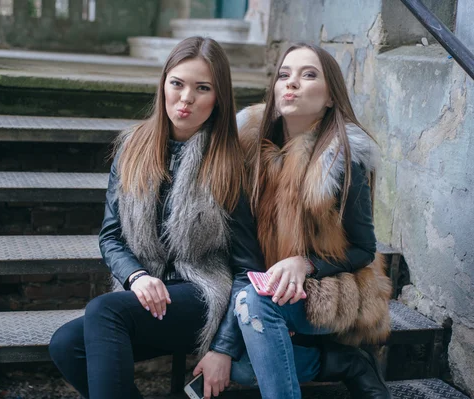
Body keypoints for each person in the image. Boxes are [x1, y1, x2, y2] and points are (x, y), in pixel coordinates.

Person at [48, 36, 265, 399]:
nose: (186, 98)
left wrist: (224, 347)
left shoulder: (232, 163)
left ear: (219, 98)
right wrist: (136, 277)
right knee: (67, 344)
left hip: (204, 294)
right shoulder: (133, 147)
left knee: (104, 312)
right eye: (177, 83)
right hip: (148, 293)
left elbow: (248, 267)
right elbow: (111, 235)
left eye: (202, 88)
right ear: (163, 83)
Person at [233, 43, 393, 398]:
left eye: (308, 75)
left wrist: (304, 264)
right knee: (240, 368)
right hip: (270, 284)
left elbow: (364, 250)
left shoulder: (340, 158)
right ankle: (343, 362)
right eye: (284, 75)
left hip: (335, 286)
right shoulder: (249, 146)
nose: (291, 84)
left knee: (252, 304)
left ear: (331, 97)